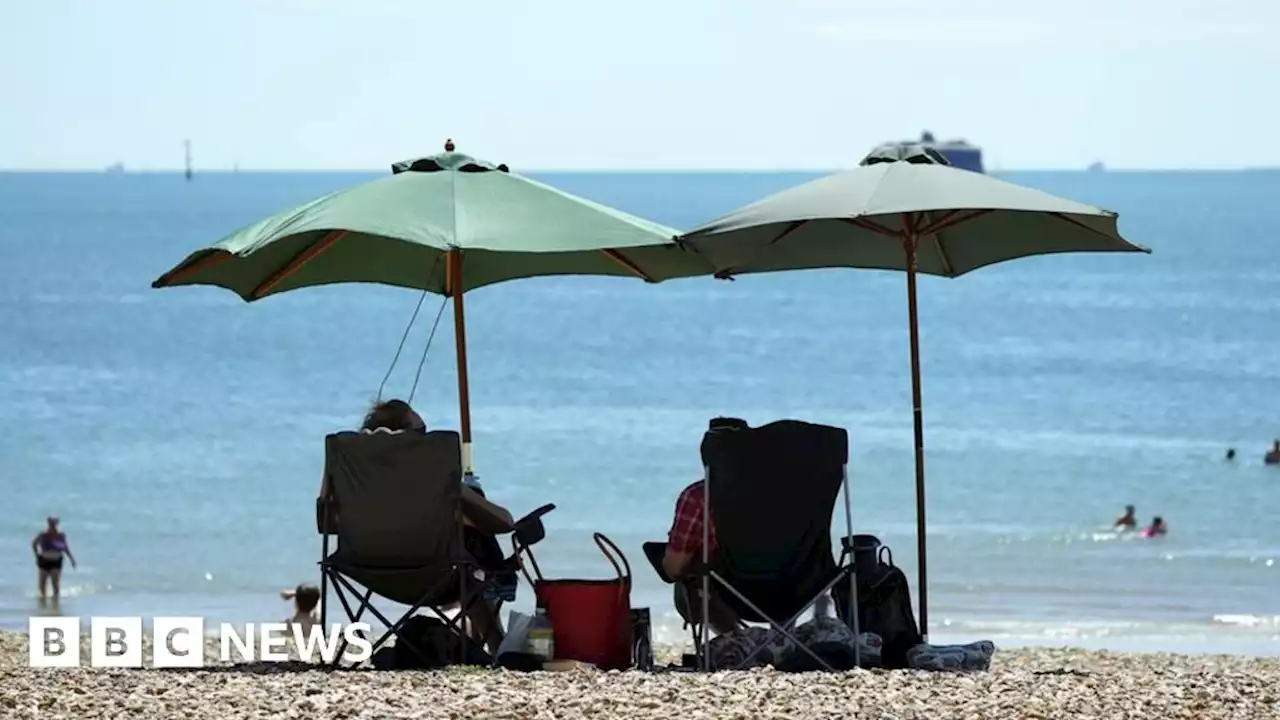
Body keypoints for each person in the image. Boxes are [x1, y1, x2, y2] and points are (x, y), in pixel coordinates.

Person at [345, 398, 516, 653]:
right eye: (421, 433)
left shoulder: (352, 476)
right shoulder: (432, 476)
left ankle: (493, 613)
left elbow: (326, 523)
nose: (426, 440)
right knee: (472, 548)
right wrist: (466, 496)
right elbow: (504, 523)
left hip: (367, 569)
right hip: (435, 574)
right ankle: (496, 638)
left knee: (467, 539)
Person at [662, 417, 750, 636]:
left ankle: (735, 638)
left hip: (725, 593)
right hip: (791, 592)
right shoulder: (784, 496)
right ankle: (784, 641)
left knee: (692, 574)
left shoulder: (697, 497)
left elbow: (673, 569)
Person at [32, 516, 76, 606]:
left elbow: (65, 548)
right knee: (42, 585)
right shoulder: (43, 535)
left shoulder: (61, 536)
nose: (52, 526)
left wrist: (71, 559)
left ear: (56, 525)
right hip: (44, 560)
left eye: (53, 524)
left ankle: (55, 605)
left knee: (55, 584)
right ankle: (42, 605)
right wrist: (37, 555)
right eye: (50, 524)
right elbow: (33, 544)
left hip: (56, 561)